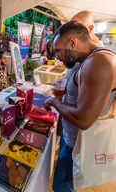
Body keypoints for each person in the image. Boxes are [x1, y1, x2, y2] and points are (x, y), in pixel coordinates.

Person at [44, 21, 116, 192]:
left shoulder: (99, 62)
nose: (58, 56)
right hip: (73, 140)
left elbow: (83, 119)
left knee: (62, 187)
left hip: (78, 144)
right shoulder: (89, 60)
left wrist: (55, 102)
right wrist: (64, 96)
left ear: (73, 42)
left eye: (59, 50)